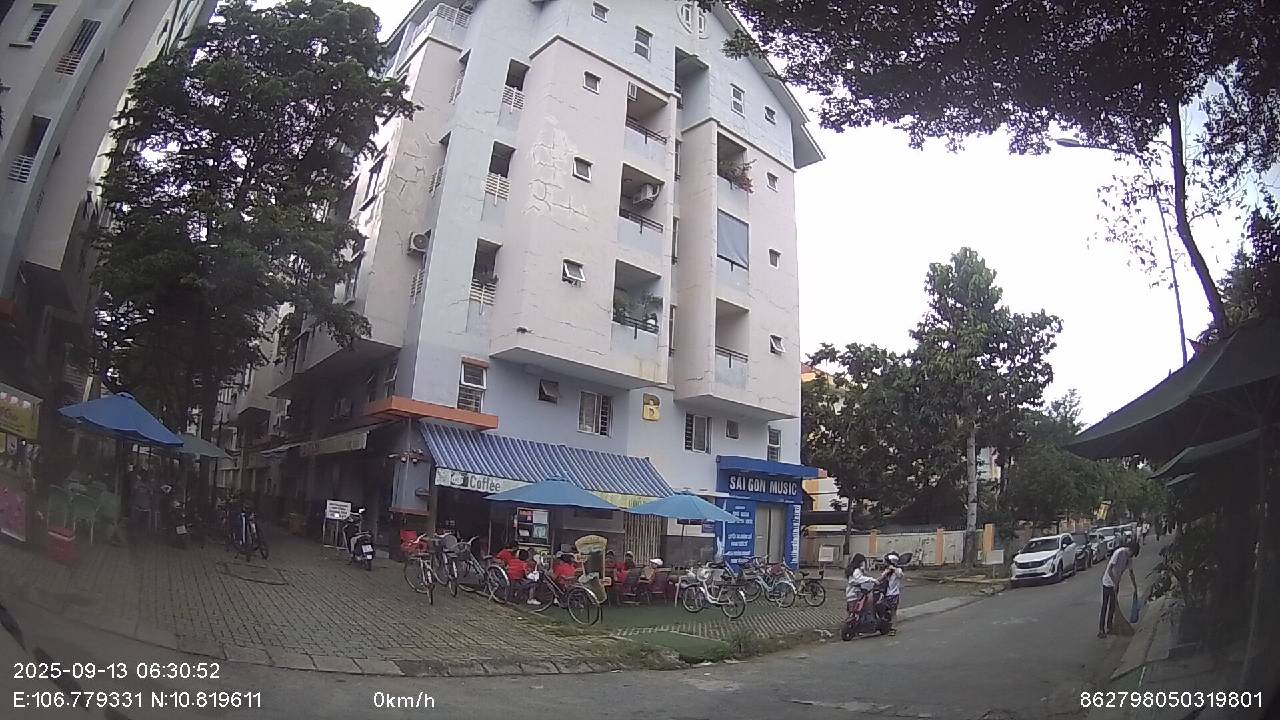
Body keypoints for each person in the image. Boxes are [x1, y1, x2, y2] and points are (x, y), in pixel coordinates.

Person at [1099, 540, 1139, 638]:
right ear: (1130, 549)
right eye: (1132, 553)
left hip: (1116, 583)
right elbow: (1109, 570)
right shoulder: (1119, 553)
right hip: (1107, 582)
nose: (1131, 556)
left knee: (1113, 606)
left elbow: (1131, 573)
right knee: (1105, 605)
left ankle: (1109, 627)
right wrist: (1114, 583)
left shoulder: (1129, 559)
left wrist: (1135, 586)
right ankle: (1101, 630)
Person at [879, 552, 905, 636]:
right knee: (883, 610)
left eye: (887, 562)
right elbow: (880, 579)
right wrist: (885, 573)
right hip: (885, 594)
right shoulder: (887, 571)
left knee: (893, 611)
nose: (885, 563)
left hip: (894, 594)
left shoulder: (897, 570)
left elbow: (900, 575)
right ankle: (884, 626)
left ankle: (893, 628)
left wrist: (893, 569)